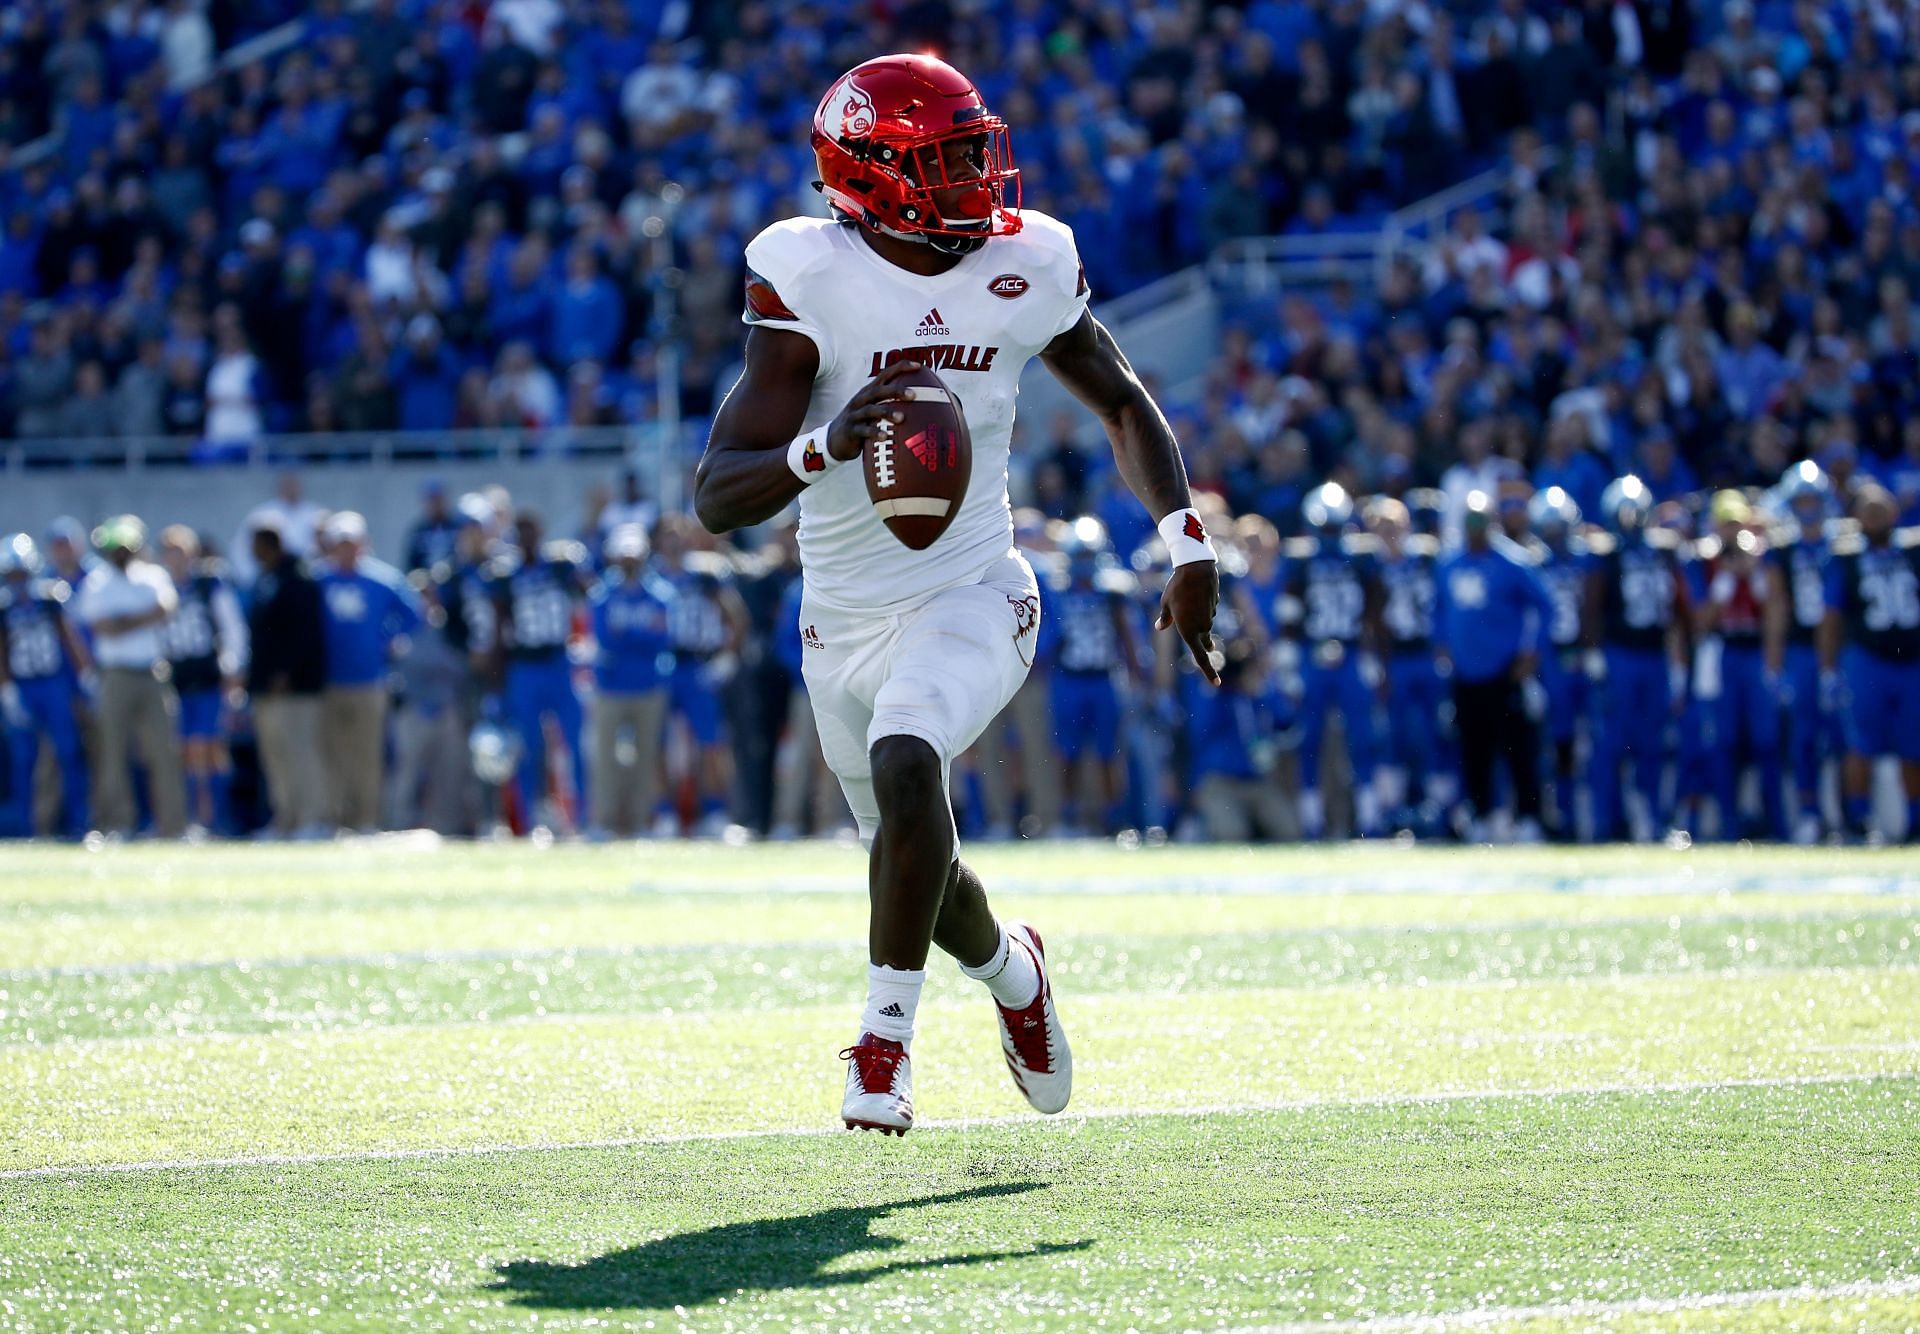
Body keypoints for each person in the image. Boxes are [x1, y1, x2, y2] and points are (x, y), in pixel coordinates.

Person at [693, 54, 1218, 1135]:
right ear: (872, 173)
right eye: (946, 158)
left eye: (976, 148)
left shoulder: (1027, 258)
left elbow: (1122, 403)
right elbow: (716, 496)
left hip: (978, 586)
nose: (978, 176)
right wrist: (826, 445)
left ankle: (882, 1044)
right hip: (840, 619)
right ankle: (1014, 970)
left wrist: (1188, 543)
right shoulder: (811, 276)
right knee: (922, 867)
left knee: (906, 751)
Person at [1435, 491, 1557, 842]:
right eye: (1470, 521)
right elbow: (1440, 610)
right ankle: (1481, 815)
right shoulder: (1449, 563)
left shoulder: (1513, 562)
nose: (1475, 529)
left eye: (1481, 521)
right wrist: (1442, 645)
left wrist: (1532, 652)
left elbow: (1546, 606)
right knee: (1473, 749)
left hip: (1505, 672)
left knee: (1518, 749)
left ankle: (1529, 818)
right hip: (1466, 674)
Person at [1584, 475, 1689, 842]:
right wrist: (1594, 652)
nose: (1629, 519)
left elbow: (1676, 612)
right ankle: (1605, 823)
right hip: (1619, 654)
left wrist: (1677, 663)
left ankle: (1655, 819)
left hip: (1653, 655)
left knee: (1653, 743)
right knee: (1611, 742)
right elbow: (1592, 607)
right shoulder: (1604, 554)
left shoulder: (1664, 549)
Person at [71, 515, 187, 839]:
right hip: (115, 675)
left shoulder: (152, 576)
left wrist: (124, 622)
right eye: (116, 547)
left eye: (126, 546)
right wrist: (141, 618)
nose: (122, 552)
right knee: (111, 751)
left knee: (163, 752)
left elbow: (165, 610)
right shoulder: (98, 581)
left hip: (152, 672)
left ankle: (173, 827)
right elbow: (102, 626)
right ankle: (116, 824)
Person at [1280, 483, 1384, 839]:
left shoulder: (1362, 557)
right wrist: (1291, 666)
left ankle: (1369, 819)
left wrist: (1371, 654)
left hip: (1352, 653)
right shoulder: (1299, 561)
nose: (1328, 536)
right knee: (1309, 741)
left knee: (1363, 738)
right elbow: (1290, 615)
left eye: (1333, 528)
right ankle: (1311, 821)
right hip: (1313, 655)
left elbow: (1374, 611)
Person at [1820, 484, 1920, 842]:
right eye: (1869, 509)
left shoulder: (1913, 549)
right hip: (1867, 659)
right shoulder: (1845, 556)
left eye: (1882, 508)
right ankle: (1858, 820)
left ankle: (1914, 820)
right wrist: (1828, 668)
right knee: (1861, 744)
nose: (1876, 515)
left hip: (1911, 660)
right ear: (1857, 516)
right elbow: (1831, 618)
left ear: (1895, 511)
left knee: (1914, 745)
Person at [486, 511, 591, 834]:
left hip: (558, 663)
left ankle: (582, 819)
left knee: (574, 742)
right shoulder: (505, 575)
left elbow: (588, 592)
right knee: (527, 748)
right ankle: (527, 821)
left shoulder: (561, 566)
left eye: (532, 530)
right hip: (525, 666)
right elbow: (499, 629)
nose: (527, 537)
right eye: (522, 531)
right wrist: (498, 683)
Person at [317, 512, 421, 832]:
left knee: (367, 753)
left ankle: (366, 819)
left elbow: (414, 614)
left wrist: (390, 641)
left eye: (352, 543)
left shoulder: (383, 579)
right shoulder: (318, 579)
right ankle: (334, 817)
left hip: (368, 679)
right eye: (341, 544)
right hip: (327, 679)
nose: (347, 550)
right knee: (330, 752)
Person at [1692, 491, 1786, 840]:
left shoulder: (1765, 558)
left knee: (1766, 741)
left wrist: (1754, 572)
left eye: (1737, 523)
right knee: (1724, 741)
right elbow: (1701, 619)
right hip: (1724, 653)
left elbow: (1775, 610)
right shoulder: (1705, 560)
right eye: (1726, 524)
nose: (1732, 532)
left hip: (1756, 652)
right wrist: (1727, 579)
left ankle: (1778, 824)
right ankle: (1728, 824)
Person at [1045, 518, 1139, 835]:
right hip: (1070, 679)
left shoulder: (1112, 590)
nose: (1085, 564)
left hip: (1103, 678)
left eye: (1089, 556)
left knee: (1108, 751)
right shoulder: (1057, 590)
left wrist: (1139, 671)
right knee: (1067, 752)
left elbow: (1126, 635)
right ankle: (1067, 817)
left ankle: (1114, 819)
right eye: (1080, 556)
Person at [1367, 496, 1451, 834]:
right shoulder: (1370, 567)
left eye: (1394, 527)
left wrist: (1445, 649)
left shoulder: (1428, 558)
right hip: (1396, 659)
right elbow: (1369, 619)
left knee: (1438, 733)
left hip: (1427, 654)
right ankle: (1393, 810)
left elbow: (1444, 606)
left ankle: (1444, 811)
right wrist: (1375, 661)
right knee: (1393, 736)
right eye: (1382, 528)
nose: (1389, 535)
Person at [156, 526, 248, 835]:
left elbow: (232, 628)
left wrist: (233, 668)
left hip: (209, 675)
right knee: (185, 750)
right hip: (177, 679)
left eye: (179, 551)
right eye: (169, 552)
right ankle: (194, 818)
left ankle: (218, 817)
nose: (174, 559)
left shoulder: (209, 584)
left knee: (209, 747)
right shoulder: (160, 587)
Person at [586, 524, 674, 838]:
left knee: (646, 757)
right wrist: (640, 635)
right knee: (605, 759)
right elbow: (607, 638)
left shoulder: (660, 593)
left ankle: (641, 821)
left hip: (648, 685)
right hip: (611, 686)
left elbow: (662, 637)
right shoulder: (602, 595)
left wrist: (631, 636)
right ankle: (604, 821)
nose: (629, 561)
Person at [0, 534, 92, 839]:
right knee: (23, 759)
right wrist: (7, 690)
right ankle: (29, 829)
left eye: (21, 574)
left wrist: (85, 675)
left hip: (53, 684)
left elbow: (70, 639)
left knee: (69, 753)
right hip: (24, 687)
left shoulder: (49, 599)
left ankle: (79, 824)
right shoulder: (4, 607)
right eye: (11, 575)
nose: (17, 581)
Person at [1765, 462, 1836, 843]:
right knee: (1804, 736)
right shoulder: (1783, 551)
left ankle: (1847, 813)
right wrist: (1775, 664)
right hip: (1801, 650)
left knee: (1842, 736)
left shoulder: (1843, 542)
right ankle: (1810, 812)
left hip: (1841, 652)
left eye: (1813, 499)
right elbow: (1777, 607)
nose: (1808, 507)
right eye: (1802, 500)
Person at [246, 522, 330, 838]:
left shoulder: (298, 577)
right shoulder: (265, 578)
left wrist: (287, 672)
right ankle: (286, 817)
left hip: (296, 688)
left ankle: (313, 817)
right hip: (267, 686)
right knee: (276, 756)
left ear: (270, 544)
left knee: (302, 751)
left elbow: (305, 632)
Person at [1522, 487, 1591, 838]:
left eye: (1558, 528)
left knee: (1590, 741)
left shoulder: (1587, 559)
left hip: (1579, 653)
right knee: (1550, 743)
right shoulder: (1531, 564)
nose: (1554, 536)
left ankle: (1589, 815)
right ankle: (1554, 815)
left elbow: (1595, 609)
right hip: (1547, 660)